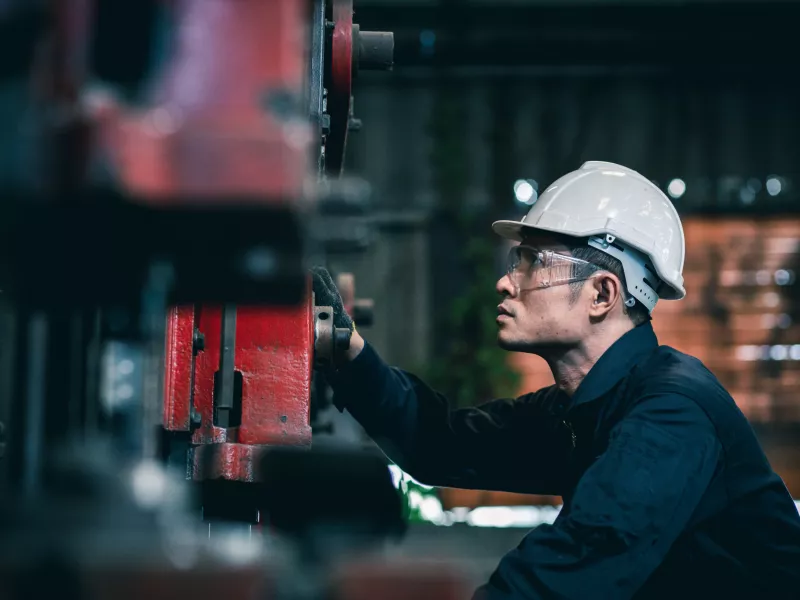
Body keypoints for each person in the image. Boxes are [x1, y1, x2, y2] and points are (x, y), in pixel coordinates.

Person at [311, 161, 800, 599]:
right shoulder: (581, 409)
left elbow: (572, 568)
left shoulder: (671, 415)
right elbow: (440, 442)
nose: (506, 281)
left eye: (533, 262)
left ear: (602, 294)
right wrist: (348, 352)